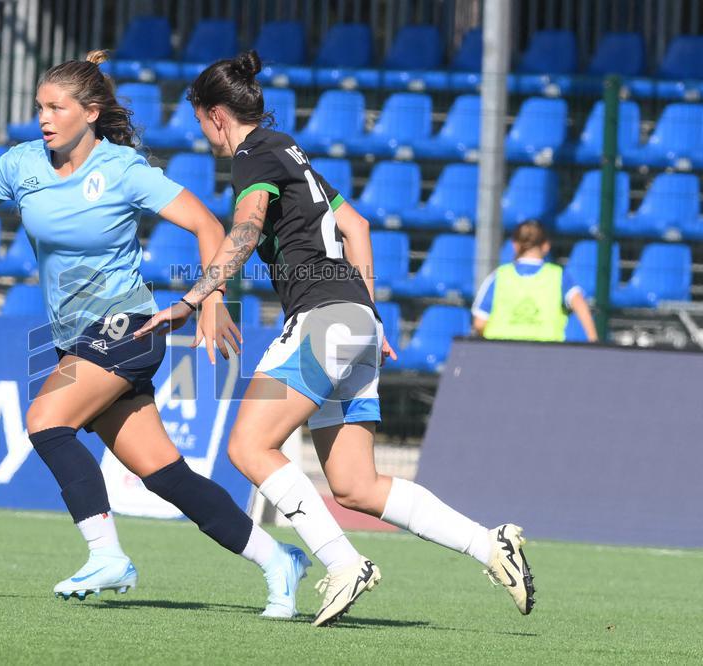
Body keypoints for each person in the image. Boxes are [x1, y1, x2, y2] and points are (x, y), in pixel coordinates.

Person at [0, 51, 311, 618]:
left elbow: (209, 225)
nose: (44, 118)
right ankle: (276, 557)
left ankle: (107, 556)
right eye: (40, 107)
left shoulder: (123, 169)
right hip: (74, 337)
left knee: (46, 421)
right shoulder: (22, 165)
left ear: (90, 112)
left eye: (56, 107)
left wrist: (209, 303)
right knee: (165, 475)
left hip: (127, 327)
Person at [136, 51, 536, 626]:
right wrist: (368, 312)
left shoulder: (253, 156)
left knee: (249, 447)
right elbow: (357, 226)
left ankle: (343, 563)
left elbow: (246, 229)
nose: (204, 136)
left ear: (216, 115)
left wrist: (193, 298)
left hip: (322, 316)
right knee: (355, 484)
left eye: (201, 122)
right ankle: (490, 543)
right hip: (353, 319)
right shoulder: (291, 152)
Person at [473, 220, 599, 342]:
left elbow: (479, 323)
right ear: (546, 246)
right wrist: (593, 339)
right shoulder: (558, 276)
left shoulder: (499, 276)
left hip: (502, 354)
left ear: (515, 246)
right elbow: (580, 304)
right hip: (546, 355)